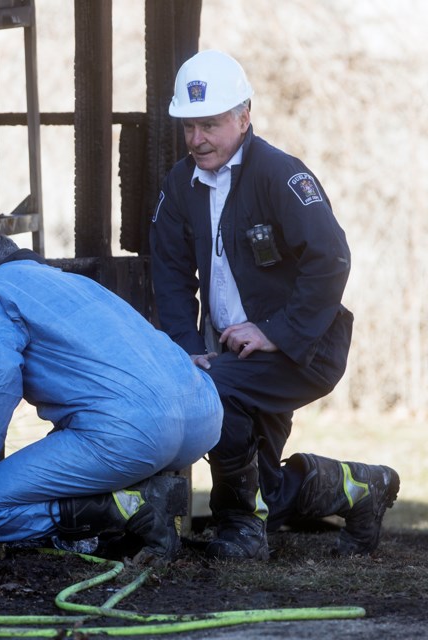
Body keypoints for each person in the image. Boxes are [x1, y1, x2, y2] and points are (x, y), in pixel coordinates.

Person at [150, 49, 400, 561]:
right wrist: (183, 346)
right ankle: (360, 488)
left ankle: (240, 525)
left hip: (304, 347)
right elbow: (170, 272)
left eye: (211, 125)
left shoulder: (282, 174)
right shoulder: (181, 184)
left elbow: (330, 259)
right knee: (265, 477)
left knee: (213, 394)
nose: (197, 139)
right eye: (188, 127)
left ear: (244, 117)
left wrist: (275, 332)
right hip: (232, 352)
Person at [0, 229, 223, 565]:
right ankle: (145, 498)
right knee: (73, 436)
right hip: (201, 418)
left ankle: (124, 506)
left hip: (131, 432)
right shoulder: (75, 284)